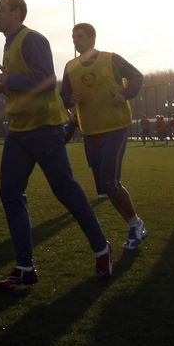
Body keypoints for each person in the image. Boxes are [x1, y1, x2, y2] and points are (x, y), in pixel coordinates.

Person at [0, 0, 111, 289]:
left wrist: (9, 81)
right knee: (10, 194)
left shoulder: (32, 39)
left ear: (17, 12)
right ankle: (25, 267)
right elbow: (25, 84)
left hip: (44, 128)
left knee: (65, 190)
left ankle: (101, 248)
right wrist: (4, 87)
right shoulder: (9, 43)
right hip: (19, 130)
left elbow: (46, 80)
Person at [61, 22, 147, 250]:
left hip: (115, 127)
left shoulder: (111, 59)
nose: (76, 41)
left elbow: (137, 77)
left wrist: (125, 94)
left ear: (92, 38)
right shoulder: (70, 67)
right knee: (104, 186)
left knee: (110, 182)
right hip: (90, 131)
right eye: (73, 37)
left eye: (80, 36)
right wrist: (70, 99)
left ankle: (135, 224)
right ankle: (135, 223)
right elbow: (63, 97)